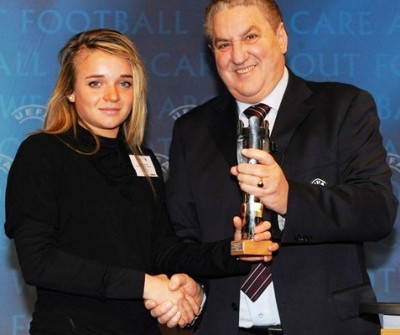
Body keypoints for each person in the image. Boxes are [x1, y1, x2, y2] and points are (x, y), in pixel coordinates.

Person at [4, 28, 278, 335]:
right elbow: (39, 262)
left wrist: (234, 252)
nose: (112, 96)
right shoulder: (42, 153)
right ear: (70, 90)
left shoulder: (142, 159)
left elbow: (164, 252)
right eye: (95, 83)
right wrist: (147, 286)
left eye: (125, 82)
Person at [161, 1, 399, 334]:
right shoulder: (191, 131)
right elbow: (179, 244)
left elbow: (377, 211)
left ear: (281, 37)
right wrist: (216, 260)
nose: (238, 55)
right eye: (223, 44)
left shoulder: (343, 108)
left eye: (250, 36)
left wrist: (290, 199)